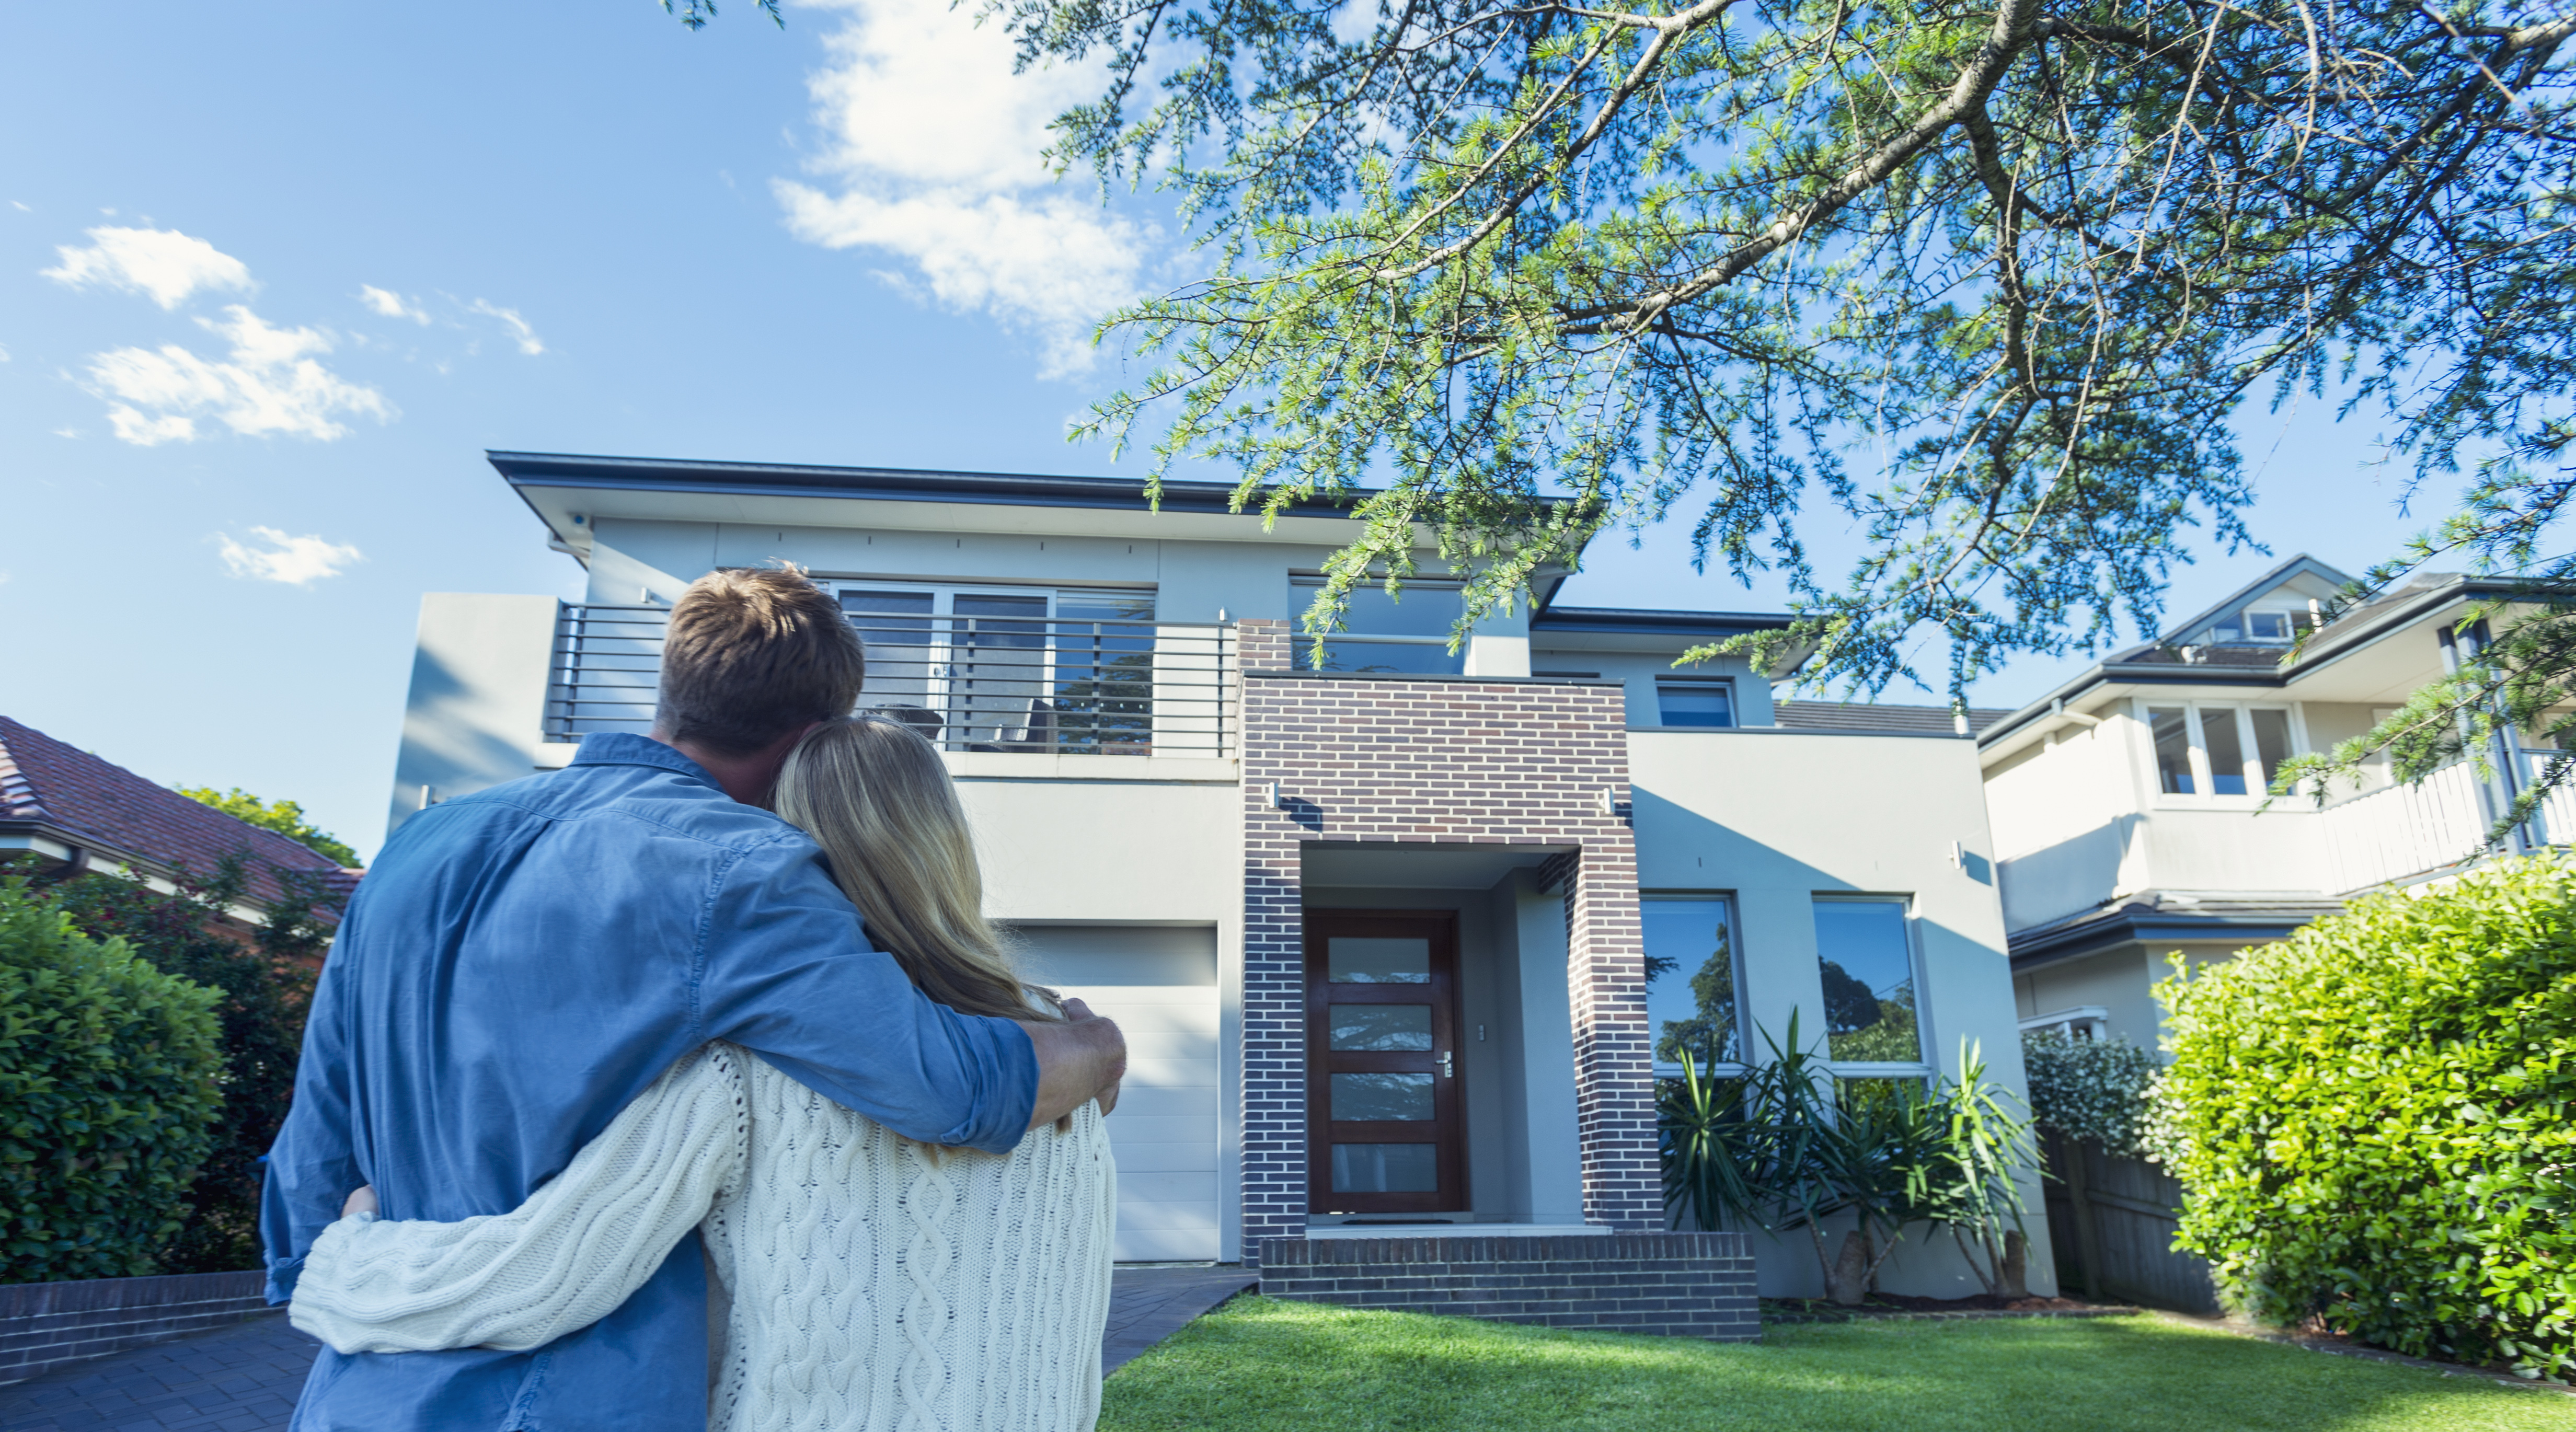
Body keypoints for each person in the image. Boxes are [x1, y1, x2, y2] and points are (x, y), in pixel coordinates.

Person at [260, 568, 1126, 1431]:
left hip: (355, 1390)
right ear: (813, 740)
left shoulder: (416, 848)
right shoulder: (741, 870)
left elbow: (315, 1145)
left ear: (673, 686)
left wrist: (337, 1280)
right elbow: (942, 1086)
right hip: (570, 1402)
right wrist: (1095, 1050)